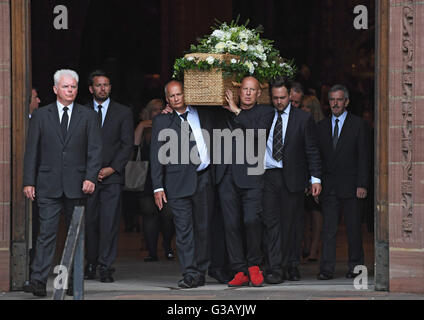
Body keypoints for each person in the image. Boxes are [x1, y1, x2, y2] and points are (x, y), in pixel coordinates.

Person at [22, 69, 102, 297]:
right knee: (46, 233)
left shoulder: (87, 115)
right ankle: (38, 280)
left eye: (74, 87)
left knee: (74, 235)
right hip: (47, 184)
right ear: (56, 89)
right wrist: (29, 181)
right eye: (66, 87)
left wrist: (90, 176)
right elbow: (32, 151)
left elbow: (95, 150)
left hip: (77, 184)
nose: (70, 90)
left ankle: (70, 282)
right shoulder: (41, 115)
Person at [150, 80, 214, 289]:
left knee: (203, 228)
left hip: (203, 177)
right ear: (167, 99)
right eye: (172, 96)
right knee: (184, 229)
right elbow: (156, 155)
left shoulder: (202, 113)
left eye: (179, 94)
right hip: (176, 181)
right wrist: (157, 186)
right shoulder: (162, 121)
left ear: (186, 94)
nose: (176, 99)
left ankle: (201, 270)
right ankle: (189, 273)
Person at [261, 79, 322, 284]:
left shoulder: (303, 119)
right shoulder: (266, 115)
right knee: (271, 224)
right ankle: (275, 267)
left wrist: (315, 178)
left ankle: (290, 264)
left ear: (290, 97)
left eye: (282, 98)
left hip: (293, 177)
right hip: (269, 175)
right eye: (275, 98)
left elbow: (311, 149)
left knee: (291, 225)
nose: (279, 102)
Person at [216, 76, 274, 287]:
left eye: (252, 90)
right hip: (226, 176)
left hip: (252, 176)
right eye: (245, 89)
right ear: (239, 91)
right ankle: (239, 270)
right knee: (230, 225)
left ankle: (254, 266)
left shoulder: (266, 113)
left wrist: (236, 111)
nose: (248, 93)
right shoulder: (223, 110)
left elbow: (258, 134)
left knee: (251, 221)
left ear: (259, 93)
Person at [84, 70, 134, 283]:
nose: (103, 88)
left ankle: (106, 266)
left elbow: (127, 144)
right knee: (89, 222)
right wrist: (91, 171)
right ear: (91, 88)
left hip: (112, 177)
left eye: (106, 84)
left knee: (109, 223)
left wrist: (112, 168)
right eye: (98, 85)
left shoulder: (123, 112)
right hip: (88, 177)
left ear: (110, 87)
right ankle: (91, 262)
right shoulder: (82, 111)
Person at [316, 84, 369, 280]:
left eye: (339, 99)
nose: (335, 103)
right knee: (328, 230)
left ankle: (356, 267)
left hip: (352, 186)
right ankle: (326, 269)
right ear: (328, 102)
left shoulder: (358, 124)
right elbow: (317, 157)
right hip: (329, 186)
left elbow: (364, 156)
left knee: (354, 229)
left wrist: (362, 184)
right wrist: (316, 181)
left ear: (346, 102)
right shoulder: (320, 127)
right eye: (332, 100)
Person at [134, 98, 175, 262]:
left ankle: (167, 245)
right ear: (149, 113)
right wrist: (141, 126)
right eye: (154, 110)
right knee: (149, 214)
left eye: (161, 110)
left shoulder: (169, 126)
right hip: (146, 177)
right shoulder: (143, 129)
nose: (158, 113)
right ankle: (152, 251)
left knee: (168, 215)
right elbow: (133, 150)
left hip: (167, 176)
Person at [300, 95, 325, 262]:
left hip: (317, 176)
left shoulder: (321, 128)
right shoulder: (301, 123)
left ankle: (315, 248)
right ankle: (305, 245)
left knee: (316, 213)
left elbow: (317, 154)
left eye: (307, 107)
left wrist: (314, 179)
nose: (304, 110)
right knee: (304, 214)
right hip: (302, 176)